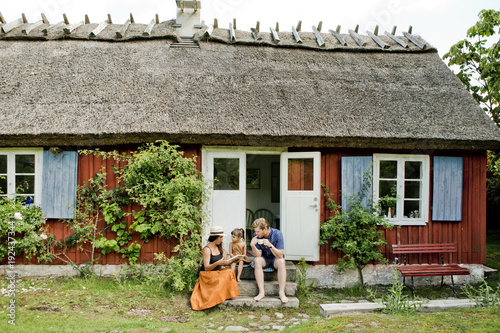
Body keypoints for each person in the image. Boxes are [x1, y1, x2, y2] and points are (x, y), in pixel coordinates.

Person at [190, 226, 240, 310]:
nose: (222, 239)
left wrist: (233, 261)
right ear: (215, 237)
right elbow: (206, 268)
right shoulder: (207, 249)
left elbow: (224, 263)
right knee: (221, 278)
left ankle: (226, 295)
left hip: (218, 272)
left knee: (230, 271)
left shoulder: (220, 246)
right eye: (220, 237)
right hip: (207, 274)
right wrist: (217, 263)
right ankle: (216, 298)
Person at [250, 218, 288, 304]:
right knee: (257, 260)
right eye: (255, 231)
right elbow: (258, 254)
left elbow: (280, 255)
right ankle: (261, 292)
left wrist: (270, 245)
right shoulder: (256, 235)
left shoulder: (277, 234)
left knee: (281, 261)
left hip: (275, 259)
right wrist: (252, 246)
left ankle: (282, 293)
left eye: (258, 231)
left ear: (265, 229)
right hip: (264, 259)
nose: (256, 233)